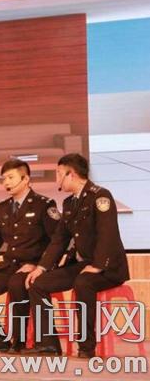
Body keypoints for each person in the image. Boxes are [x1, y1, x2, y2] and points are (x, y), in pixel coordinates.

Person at [24, 153, 129, 358]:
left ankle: (86, 347)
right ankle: (49, 345)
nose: (57, 179)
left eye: (58, 173)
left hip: (108, 267)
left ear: (70, 174)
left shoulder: (100, 196)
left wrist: (98, 265)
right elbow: (59, 240)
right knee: (38, 283)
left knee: (83, 282)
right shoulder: (69, 203)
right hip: (83, 265)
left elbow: (107, 233)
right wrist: (41, 268)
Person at [0, 159, 60, 353]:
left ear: (26, 179)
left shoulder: (44, 204)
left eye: (11, 177)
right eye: (3, 178)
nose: (6, 182)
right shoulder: (3, 208)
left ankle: (19, 340)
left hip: (33, 266)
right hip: (10, 266)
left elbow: (57, 240)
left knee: (17, 282)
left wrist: (39, 265)